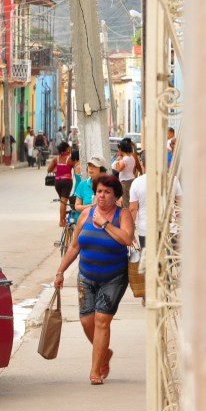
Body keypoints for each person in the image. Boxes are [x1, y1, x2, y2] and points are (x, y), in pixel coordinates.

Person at [54, 174, 135, 385]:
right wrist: (60, 271)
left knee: (101, 321)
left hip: (114, 277)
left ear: (116, 195)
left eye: (107, 192)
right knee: (86, 321)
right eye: (99, 191)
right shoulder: (86, 214)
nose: (101, 195)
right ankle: (104, 353)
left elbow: (127, 239)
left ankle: (95, 370)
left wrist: (105, 224)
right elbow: (74, 246)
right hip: (86, 276)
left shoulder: (122, 214)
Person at [72, 156, 108, 223]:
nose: (91, 168)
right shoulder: (82, 185)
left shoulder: (109, 185)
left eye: (94, 166)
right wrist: (91, 207)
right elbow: (77, 206)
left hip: (104, 222)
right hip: (85, 222)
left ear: (101, 169)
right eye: (89, 165)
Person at [47, 141, 75, 227]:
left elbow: (49, 169)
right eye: (69, 148)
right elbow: (77, 167)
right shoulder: (69, 159)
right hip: (66, 182)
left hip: (57, 182)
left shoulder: (56, 159)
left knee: (62, 202)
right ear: (67, 149)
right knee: (63, 202)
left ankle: (62, 219)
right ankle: (61, 221)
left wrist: (57, 170)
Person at [113, 137, 144, 207]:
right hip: (131, 179)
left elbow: (119, 169)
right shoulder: (132, 157)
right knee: (131, 199)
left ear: (120, 149)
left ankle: (128, 215)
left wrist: (117, 161)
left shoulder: (125, 159)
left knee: (126, 201)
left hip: (125, 182)